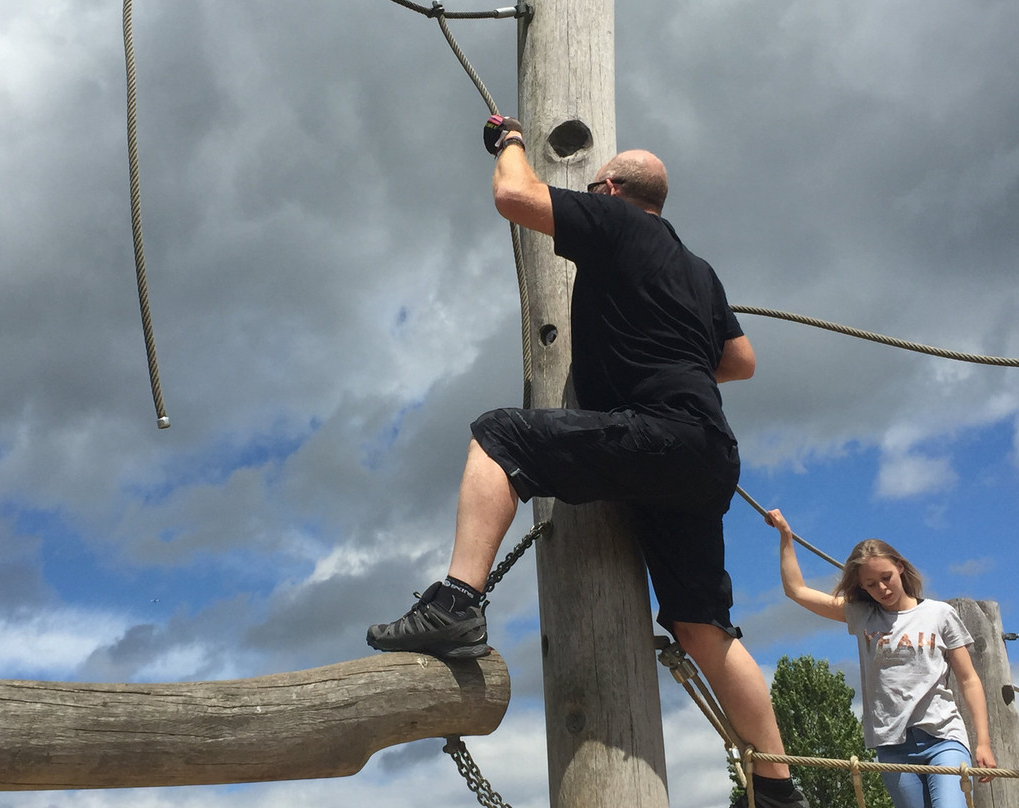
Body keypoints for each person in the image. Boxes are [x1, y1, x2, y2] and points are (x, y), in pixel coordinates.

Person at [367, 115, 807, 808]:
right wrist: (675, 364)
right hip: (707, 452)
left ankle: (455, 602)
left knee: (499, 436)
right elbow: (741, 362)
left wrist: (510, 141)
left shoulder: (618, 225)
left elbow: (516, 198)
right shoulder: (698, 270)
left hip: (660, 434)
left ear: (607, 188)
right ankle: (778, 786)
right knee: (701, 627)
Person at [765, 507, 997, 808]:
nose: (882, 589)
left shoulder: (939, 614)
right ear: (861, 586)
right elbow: (796, 591)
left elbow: (969, 680)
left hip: (943, 737)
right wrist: (786, 536)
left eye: (886, 577)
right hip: (892, 744)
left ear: (900, 567)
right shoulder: (863, 616)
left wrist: (983, 742)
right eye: (871, 584)